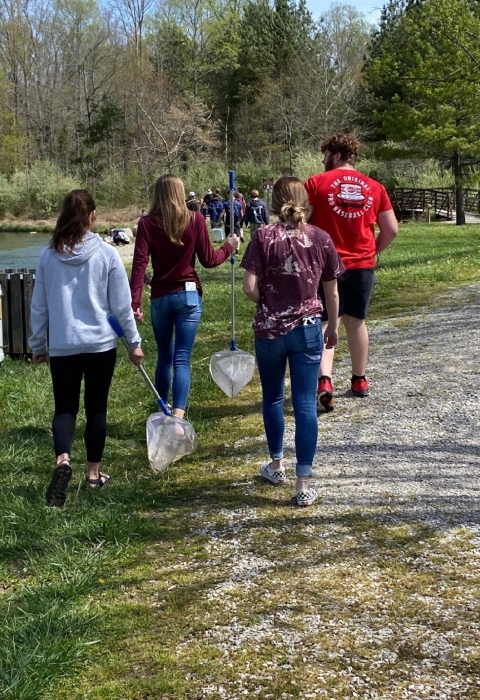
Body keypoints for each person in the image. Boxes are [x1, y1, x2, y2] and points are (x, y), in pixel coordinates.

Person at [29, 190, 143, 507]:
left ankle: (63, 460)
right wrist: (134, 343)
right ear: (93, 216)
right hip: (100, 344)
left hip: (64, 344)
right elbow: (122, 307)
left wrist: (38, 344)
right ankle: (94, 474)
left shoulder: (48, 256)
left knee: (65, 407)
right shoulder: (107, 254)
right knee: (96, 409)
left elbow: (38, 306)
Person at [241, 177, 344, 507]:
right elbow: (332, 290)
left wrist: (265, 303)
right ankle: (302, 483)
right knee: (303, 403)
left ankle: (275, 464)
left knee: (272, 396)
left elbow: (247, 287)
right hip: (308, 328)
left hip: (270, 330)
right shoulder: (320, 238)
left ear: (274, 202)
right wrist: (333, 327)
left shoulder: (263, 236)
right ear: (305, 201)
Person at [130, 174, 239, 419]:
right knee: (182, 358)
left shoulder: (147, 223)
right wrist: (229, 246)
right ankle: (178, 417)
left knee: (164, 356)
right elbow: (210, 260)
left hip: (160, 296)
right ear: (180, 193)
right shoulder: (195, 219)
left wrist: (134, 302)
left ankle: (162, 410)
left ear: (157, 194)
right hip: (188, 296)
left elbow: (139, 265)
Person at [304, 132, 398, 412]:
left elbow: (301, 220)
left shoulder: (316, 183)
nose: (323, 161)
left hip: (323, 266)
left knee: (322, 322)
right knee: (356, 322)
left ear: (335, 154)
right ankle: (359, 380)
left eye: (325, 156)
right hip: (361, 264)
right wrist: (373, 251)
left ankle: (324, 381)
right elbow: (391, 229)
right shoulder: (374, 187)